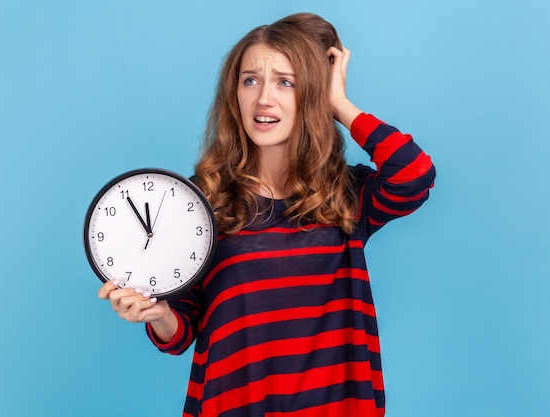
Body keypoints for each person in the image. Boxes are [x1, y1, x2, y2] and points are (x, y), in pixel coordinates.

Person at [98, 12, 436, 417]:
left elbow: (414, 175)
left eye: (286, 82)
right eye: (251, 80)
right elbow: (180, 333)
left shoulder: (346, 195)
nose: (264, 98)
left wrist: (339, 103)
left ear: (311, 93)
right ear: (235, 93)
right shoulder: (200, 200)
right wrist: (160, 314)